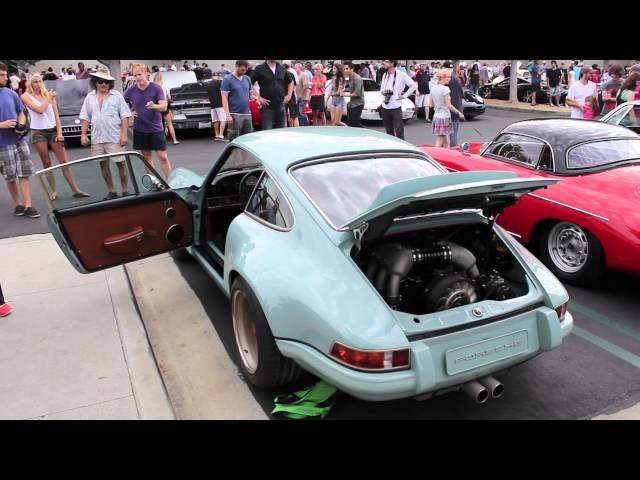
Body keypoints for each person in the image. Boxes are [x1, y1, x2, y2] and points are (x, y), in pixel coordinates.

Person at [21, 73, 89, 201]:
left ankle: (75, 189)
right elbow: (40, 109)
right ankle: (53, 191)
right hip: (38, 131)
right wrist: (49, 97)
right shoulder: (26, 96)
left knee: (64, 161)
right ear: (30, 84)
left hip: (52, 130)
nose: (38, 84)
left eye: (40, 81)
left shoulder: (48, 94)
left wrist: (59, 133)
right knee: (46, 162)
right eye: (35, 82)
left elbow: (56, 115)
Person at [80, 66, 132, 199]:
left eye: (106, 82)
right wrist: (83, 134)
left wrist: (124, 134)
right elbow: (85, 116)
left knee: (120, 163)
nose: (103, 84)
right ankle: (112, 191)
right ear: (95, 82)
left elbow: (125, 115)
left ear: (110, 83)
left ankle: (125, 190)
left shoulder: (117, 95)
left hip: (114, 136)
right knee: (103, 164)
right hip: (97, 137)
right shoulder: (89, 97)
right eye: (100, 81)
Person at [0, 62, 39, 218]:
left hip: (19, 139)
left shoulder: (11, 93)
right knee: (10, 176)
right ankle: (18, 204)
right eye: (1, 75)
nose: (5, 77)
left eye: (5, 74)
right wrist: (2, 124)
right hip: (2, 144)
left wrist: (21, 124)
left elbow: (21, 112)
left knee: (24, 173)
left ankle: (29, 205)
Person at [123, 63, 171, 177]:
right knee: (147, 156)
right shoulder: (131, 90)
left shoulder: (156, 88)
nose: (137, 77)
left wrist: (154, 106)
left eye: (139, 74)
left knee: (163, 156)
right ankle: (154, 182)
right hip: (140, 128)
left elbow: (164, 106)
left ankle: (170, 182)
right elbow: (120, 102)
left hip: (156, 128)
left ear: (146, 74)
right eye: (135, 75)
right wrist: (130, 112)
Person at [250, 60, 293, 130]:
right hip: (267, 105)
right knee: (267, 131)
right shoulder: (259, 68)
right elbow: (249, 82)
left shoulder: (281, 68)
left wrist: (289, 95)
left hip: (280, 104)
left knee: (281, 131)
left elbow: (290, 81)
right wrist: (258, 97)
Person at [379, 60, 415, 140]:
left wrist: (404, 95)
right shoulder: (385, 74)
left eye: (386, 61)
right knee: (389, 133)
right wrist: (383, 92)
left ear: (392, 63)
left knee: (399, 133)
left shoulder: (402, 75)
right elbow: (381, 88)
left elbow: (413, 86)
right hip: (385, 106)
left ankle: (402, 150)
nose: (384, 63)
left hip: (395, 106)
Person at [429, 68, 465, 148]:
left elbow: (430, 105)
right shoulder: (445, 89)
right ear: (443, 77)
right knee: (439, 142)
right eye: (448, 77)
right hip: (444, 117)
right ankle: (436, 157)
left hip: (436, 117)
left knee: (446, 142)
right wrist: (459, 113)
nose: (450, 79)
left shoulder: (433, 88)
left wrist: (438, 104)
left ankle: (446, 155)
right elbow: (449, 105)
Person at [221, 60, 254, 141]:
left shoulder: (247, 78)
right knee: (235, 140)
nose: (244, 72)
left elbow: (251, 95)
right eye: (242, 70)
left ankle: (244, 154)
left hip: (247, 114)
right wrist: (227, 115)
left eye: (246, 70)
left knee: (247, 140)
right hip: (234, 114)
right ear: (236, 66)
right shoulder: (227, 79)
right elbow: (224, 97)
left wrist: (256, 99)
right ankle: (234, 154)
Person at [443, 61, 465, 147]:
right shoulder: (456, 79)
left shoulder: (446, 80)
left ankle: (451, 151)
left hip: (450, 109)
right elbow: (462, 94)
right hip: (456, 108)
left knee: (449, 134)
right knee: (453, 133)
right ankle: (451, 150)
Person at [154, 73, 179, 145]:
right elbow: (169, 97)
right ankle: (174, 140)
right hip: (165, 106)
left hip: (157, 106)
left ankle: (160, 141)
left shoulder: (153, 85)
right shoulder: (164, 84)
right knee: (169, 123)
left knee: (159, 125)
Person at [205, 70, 227, 141]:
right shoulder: (221, 82)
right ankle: (221, 135)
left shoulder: (208, 84)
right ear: (218, 76)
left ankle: (216, 135)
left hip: (212, 105)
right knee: (223, 120)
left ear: (212, 76)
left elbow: (208, 95)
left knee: (215, 120)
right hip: (220, 104)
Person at [342, 61, 364, 127]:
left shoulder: (357, 78)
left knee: (355, 123)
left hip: (358, 103)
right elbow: (351, 89)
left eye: (346, 69)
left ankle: (366, 132)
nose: (345, 70)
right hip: (352, 103)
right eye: (344, 69)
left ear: (352, 69)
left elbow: (357, 93)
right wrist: (344, 90)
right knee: (350, 123)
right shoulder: (349, 77)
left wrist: (345, 94)